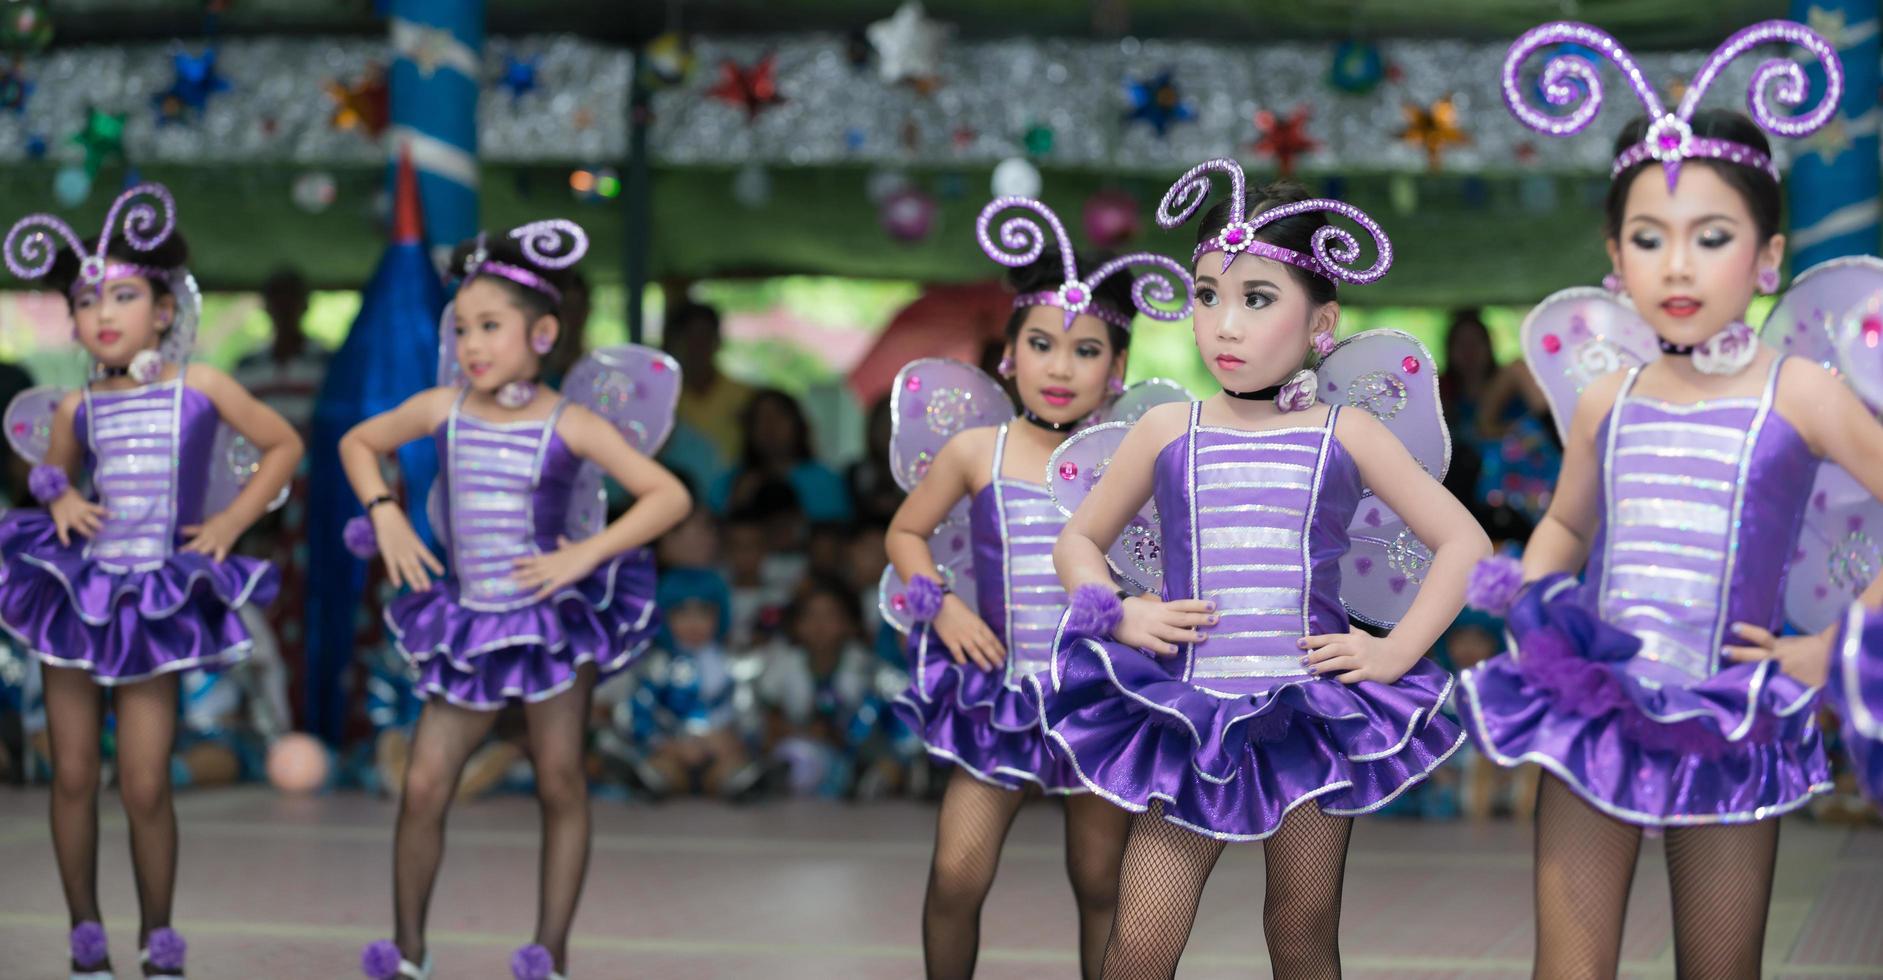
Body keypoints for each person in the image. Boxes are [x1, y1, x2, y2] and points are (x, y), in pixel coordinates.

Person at [1458, 23, 1883, 977]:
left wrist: (1834, 644)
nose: (1678, 266)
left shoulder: (1800, 391)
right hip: (1595, 708)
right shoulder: (1610, 394)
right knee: (1568, 968)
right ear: (1616, 256)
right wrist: (1534, 600)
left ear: (1766, 257)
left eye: (1712, 238)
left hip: (1732, 718)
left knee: (1719, 968)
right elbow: (1566, 522)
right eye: (1649, 239)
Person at [1035, 163, 1487, 977]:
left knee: (1301, 931)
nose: (1224, 326)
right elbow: (1076, 543)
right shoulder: (1168, 427)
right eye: (1208, 295)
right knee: (1140, 938)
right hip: (1191, 717)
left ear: (1323, 323)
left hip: (1308, 720)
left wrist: (1392, 653)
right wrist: (1116, 613)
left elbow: (1465, 545)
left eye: (1257, 298)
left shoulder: (1345, 432)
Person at [342, 220, 690, 980]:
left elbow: (667, 496)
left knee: (561, 779)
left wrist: (586, 555)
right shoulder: (443, 408)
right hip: (469, 620)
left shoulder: (571, 423)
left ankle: (549, 954)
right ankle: (406, 953)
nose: (471, 344)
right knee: (426, 782)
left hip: (551, 626)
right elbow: (357, 443)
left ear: (542, 334)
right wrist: (385, 511)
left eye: (490, 327)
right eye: (462, 327)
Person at [0, 184, 303, 979]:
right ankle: (85, 937)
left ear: (163, 312)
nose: (104, 312)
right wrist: (60, 495)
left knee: (142, 783)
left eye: (125, 295)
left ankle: (158, 941)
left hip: (153, 600)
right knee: (71, 774)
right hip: (77, 595)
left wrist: (231, 523)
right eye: (88, 299)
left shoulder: (201, 389)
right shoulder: (76, 405)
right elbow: (47, 479)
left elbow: (282, 445)